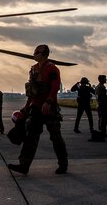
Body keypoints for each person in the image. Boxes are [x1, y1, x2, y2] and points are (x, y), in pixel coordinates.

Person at [8, 44, 68, 175]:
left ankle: (63, 164)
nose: (34, 54)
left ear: (44, 54)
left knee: (55, 136)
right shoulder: (34, 69)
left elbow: (55, 87)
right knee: (30, 136)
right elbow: (32, 91)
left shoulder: (52, 69)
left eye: (36, 52)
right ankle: (24, 165)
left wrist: (49, 101)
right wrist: (26, 106)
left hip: (49, 108)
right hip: (35, 108)